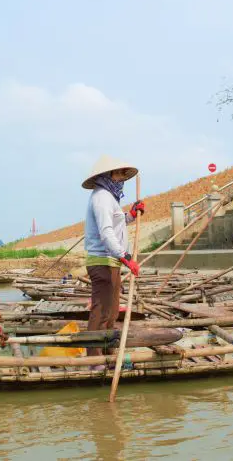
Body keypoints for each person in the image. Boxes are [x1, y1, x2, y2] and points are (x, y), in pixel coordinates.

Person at [82, 155, 146, 370]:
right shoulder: (101, 197)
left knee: (112, 311)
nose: (122, 179)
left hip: (112, 262)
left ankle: (108, 352)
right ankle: (93, 358)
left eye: (122, 175)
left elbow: (117, 224)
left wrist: (132, 214)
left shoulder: (110, 198)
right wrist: (125, 256)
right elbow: (106, 232)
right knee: (100, 310)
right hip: (102, 261)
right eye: (118, 174)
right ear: (106, 176)